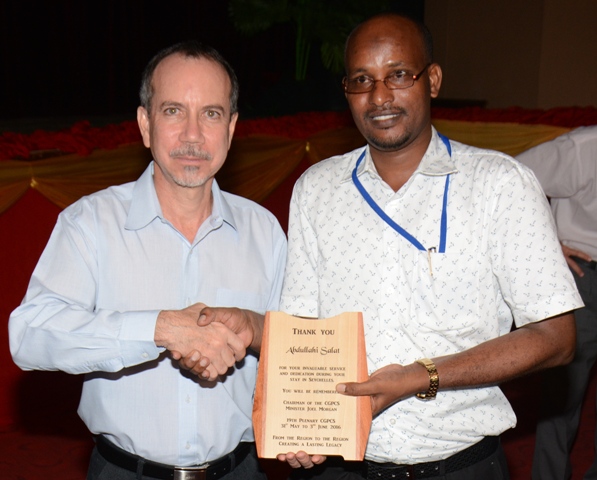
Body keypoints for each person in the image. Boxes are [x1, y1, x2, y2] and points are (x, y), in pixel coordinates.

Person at [275, 13, 583, 480]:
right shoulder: (317, 188)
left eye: (399, 74)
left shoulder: (500, 184)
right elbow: (301, 328)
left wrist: (419, 376)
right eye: (362, 80)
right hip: (341, 466)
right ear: (346, 92)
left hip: (461, 466)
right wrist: (298, 422)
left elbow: (556, 338)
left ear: (433, 80)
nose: (380, 96)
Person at [8, 41, 287, 480]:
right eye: (174, 111)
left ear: (231, 128)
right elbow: (29, 335)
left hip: (240, 471)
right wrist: (160, 328)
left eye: (211, 114)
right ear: (145, 124)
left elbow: (295, 346)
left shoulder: (264, 231)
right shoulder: (90, 222)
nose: (193, 135)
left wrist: (253, 330)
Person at [516, 126, 597, 480]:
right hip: (584, 278)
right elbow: (511, 181)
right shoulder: (584, 148)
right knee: (562, 400)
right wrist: (547, 242)